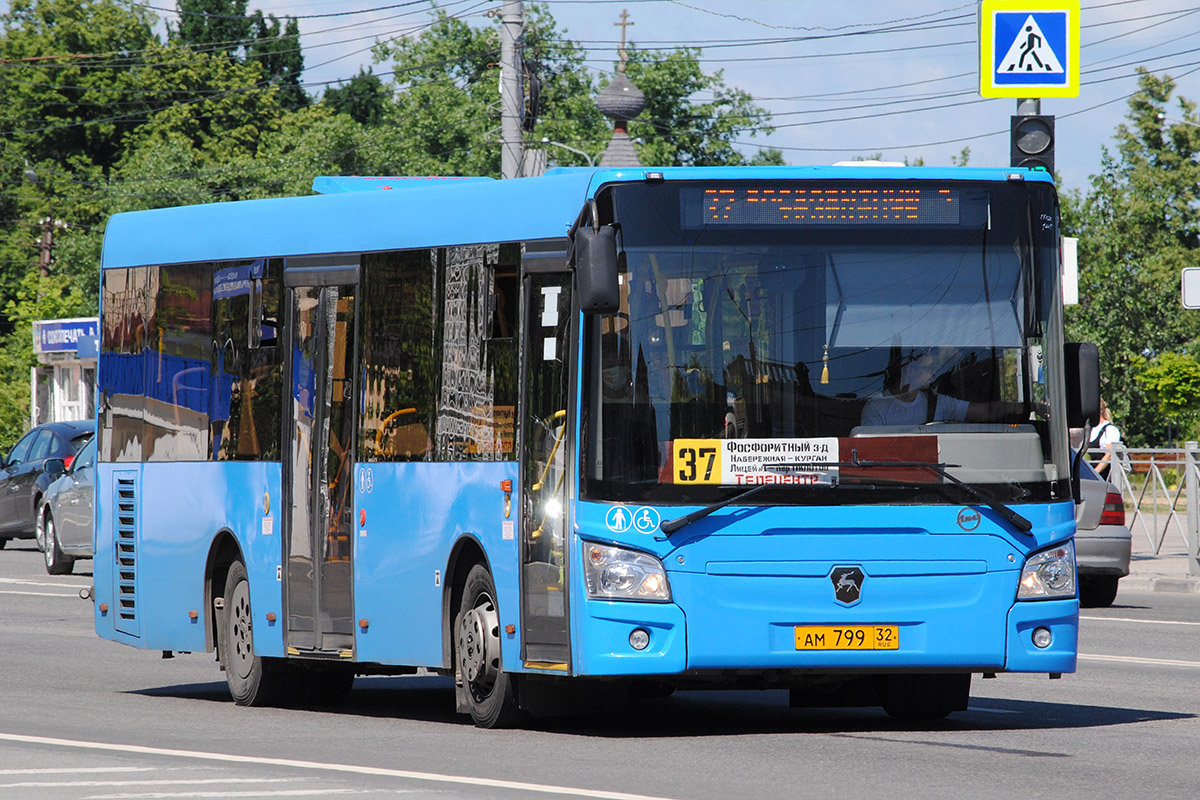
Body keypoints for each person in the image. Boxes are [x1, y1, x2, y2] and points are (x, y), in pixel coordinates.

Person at [861, 346, 1043, 427]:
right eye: (927, 369)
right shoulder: (876, 408)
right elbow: (868, 453)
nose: (932, 374)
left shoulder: (937, 403)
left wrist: (1027, 406)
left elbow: (984, 411)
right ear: (907, 370)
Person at [1088, 399, 1122, 479]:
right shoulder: (1091, 429)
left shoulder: (1110, 429)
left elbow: (1109, 455)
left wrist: (1095, 473)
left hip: (1105, 476)